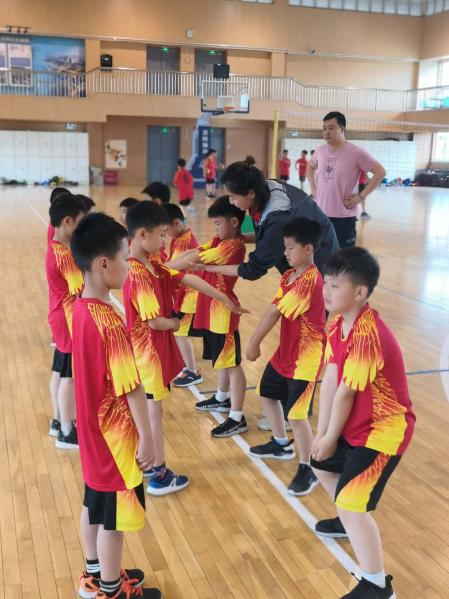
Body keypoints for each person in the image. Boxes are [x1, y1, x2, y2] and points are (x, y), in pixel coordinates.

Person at [311, 247, 415, 599]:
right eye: (325, 282)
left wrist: (330, 436)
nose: (326, 291)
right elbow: (331, 378)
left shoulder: (369, 334)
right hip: (356, 424)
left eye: (335, 285)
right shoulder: (338, 323)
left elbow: (345, 394)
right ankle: (349, 520)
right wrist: (322, 434)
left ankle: (376, 585)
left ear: (359, 292)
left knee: (351, 503)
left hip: (384, 432)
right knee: (320, 463)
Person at [124, 201, 245, 493]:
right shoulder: (139, 273)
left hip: (149, 354)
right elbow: (155, 322)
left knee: (151, 412)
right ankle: (158, 472)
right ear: (143, 234)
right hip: (147, 355)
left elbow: (186, 276)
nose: (164, 241)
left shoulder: (150, 265)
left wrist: (223, 298)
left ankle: (148, 464)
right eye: (160, 234)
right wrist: (175, 323)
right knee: (152, 414)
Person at [71, 212, 162, 599]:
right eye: (126, 258)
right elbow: (132, 387)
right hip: (115, 438)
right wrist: (148, 439)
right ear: (103, 264)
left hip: (93, 432)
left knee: (94, 503)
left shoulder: (80, 307)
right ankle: (111, 590)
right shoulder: (108, 322)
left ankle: (94, 574)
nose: (129, 265)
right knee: (114, 521)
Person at [218, 162, 339, 431]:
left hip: (320, 267)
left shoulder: (278, 216)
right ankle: (289, 407)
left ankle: (296, 413)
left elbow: (253, 269)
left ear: (250, 193)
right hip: (300, 268)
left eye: (233, 196)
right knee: (293, 338)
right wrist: (239, 238)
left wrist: (209, 267)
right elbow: (267, 239)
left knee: (307, 343)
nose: (231, 202)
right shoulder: (265, 194)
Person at [247, 217, 326, 495]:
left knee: (297, 416)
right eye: (285, 247)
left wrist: (254, 342)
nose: (285, 253)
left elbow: (274, 312)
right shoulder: (289, 276)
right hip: (287, 352)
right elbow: (274, 307)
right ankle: (281, 444)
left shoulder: (310, 281)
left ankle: (309, 467)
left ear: (308, 248)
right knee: (267, 394)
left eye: (290, 248)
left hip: (306, 358)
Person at [188, 196, 248, 438]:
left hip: (222, 314)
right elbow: (196, 253)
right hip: (211, 311)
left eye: (217, 223)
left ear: (234, 222)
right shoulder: (219, 240)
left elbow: (195, 259)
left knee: (232, 365)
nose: (215, 228)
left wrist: (165, 268)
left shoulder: (232, 246)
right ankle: (222, 398)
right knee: (222, 361)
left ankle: (237, 418)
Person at [307, 111, 386, 248]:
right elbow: (310, 168)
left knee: (343, 257)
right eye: (324, 128)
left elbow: (380, 172)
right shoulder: (320, 151)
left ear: (342, 129)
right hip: (321, 215)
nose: (326, 132)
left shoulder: (356, 152)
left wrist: (360, 197)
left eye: (331, 128)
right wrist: (314, 191)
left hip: (344, 217)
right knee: (321, 256)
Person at [46, 194, 86, 447]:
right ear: (68, 221)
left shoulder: (57, 246)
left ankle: (61, 422)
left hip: (61, 315)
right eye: (80, 223)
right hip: (67, 317)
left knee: (62, 373)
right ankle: (67, 431)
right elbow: (80, 287)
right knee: (69, 376)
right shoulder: (63, 255)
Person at [162, 203, 202, 387]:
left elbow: (178, 266)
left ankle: (192, 371)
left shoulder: (186, 241)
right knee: (179, 332)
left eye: (167, 229)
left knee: (180, 333)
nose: (166, 233)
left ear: (176, 223)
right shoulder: (178, 238)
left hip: (189, 296)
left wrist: (161, 269)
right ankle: (186, 365)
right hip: (182, 294)